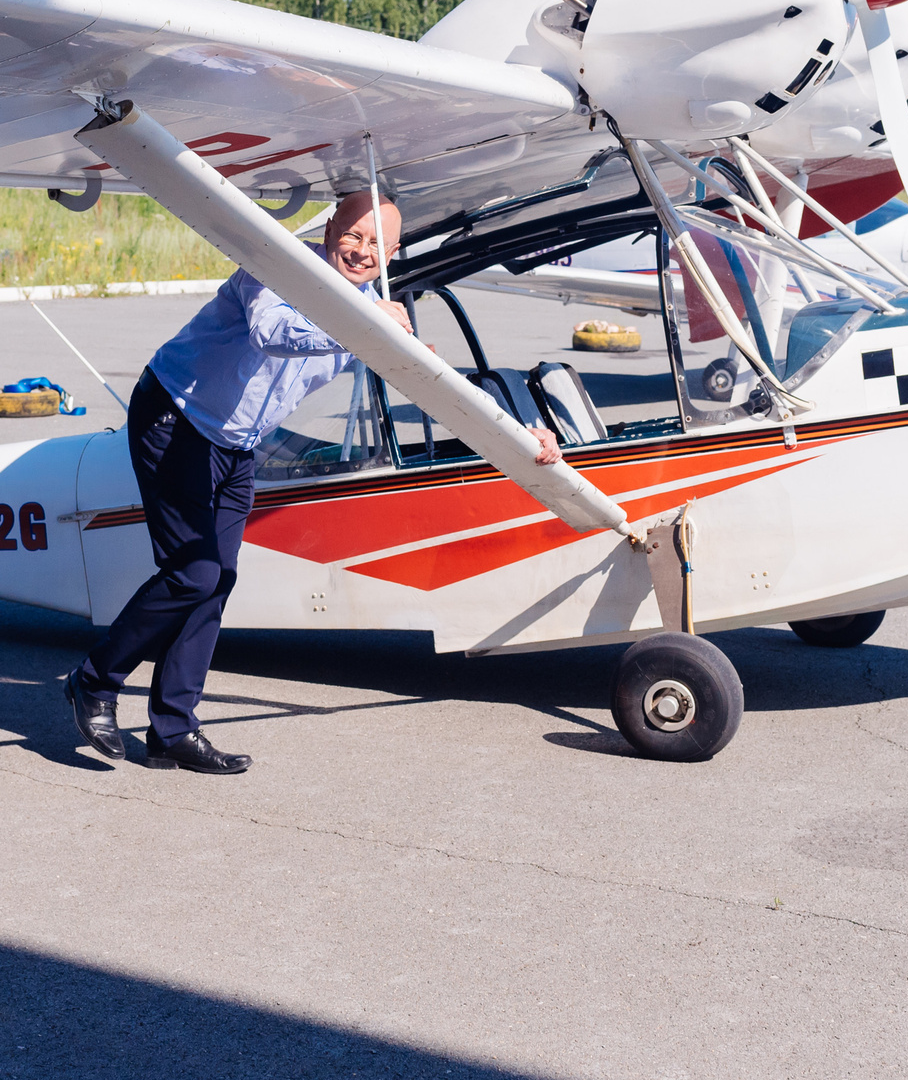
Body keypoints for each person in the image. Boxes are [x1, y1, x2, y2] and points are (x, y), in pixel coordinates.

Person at [63, 190, 561, 774]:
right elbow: (274, 334)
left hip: (237, 441)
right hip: (177, 416)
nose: (362, 250)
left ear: (394, 252)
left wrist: (527, 436)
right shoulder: (274, 269)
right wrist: (363, 326)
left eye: (377, 243)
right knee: (191, 572)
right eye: (353, 235)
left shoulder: (373, 310)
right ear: (329, 231)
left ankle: (173, 728)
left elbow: (432, 381)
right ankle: (93, 683)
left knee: (216, 578)